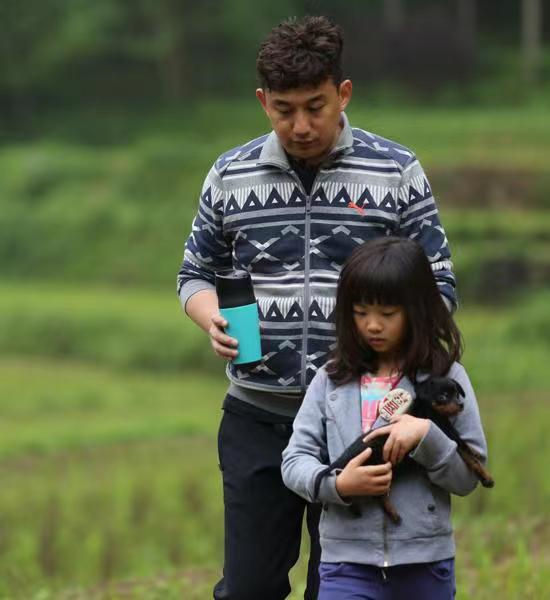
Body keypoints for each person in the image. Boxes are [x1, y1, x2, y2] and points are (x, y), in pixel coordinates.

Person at [177, 15, 457, 600]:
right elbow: (195, 273)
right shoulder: (229, 174)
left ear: (343, 93)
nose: (300, 126)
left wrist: (388, 365)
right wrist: (211, 318)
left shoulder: (395, 170)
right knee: (249, 586)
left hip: (359, 419)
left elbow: (439, 286)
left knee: (339, 586)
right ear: (262, 101)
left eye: (315, 107)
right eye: (284, 110)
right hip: (256, 415)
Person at [281, 237, 489, 600]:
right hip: (346, 565)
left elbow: (469, 478)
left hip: (425, 565)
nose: (373, 325)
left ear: (418, 310)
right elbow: (294, 460)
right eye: (361, 313)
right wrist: (338, 484)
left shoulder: (446, 379)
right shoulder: (330, 379)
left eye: (387, 314)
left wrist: (427, 436)